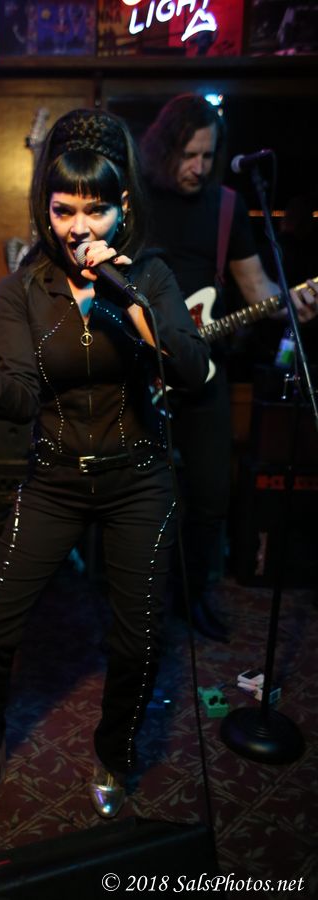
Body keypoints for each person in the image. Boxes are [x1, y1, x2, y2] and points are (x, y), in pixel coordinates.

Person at [0, 108, 209, 822]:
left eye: (96, 210)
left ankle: (115, 752)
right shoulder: (21, 290)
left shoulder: (149, 274)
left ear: (122, 206)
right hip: (53, 478)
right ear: (45, 209)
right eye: (62, 211)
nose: (79, 228)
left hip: (138, 478)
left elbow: (190, 367)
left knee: (141, 637)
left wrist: (124, 294)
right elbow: (19, 397)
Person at [140, 93, 318, 642]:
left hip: (205, 371)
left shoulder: (226, 207)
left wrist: (293, 303)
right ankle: (137, 604)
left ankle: (191, 596)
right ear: (164, 149)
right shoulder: (135, 198)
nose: (199, 167)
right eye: (188, 155)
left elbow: (256, 287)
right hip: (139, 369)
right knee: (137, 497)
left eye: (207, 155)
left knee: (212, 494)